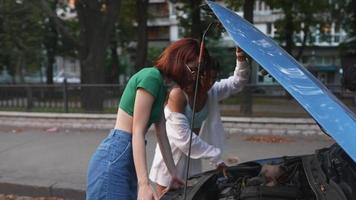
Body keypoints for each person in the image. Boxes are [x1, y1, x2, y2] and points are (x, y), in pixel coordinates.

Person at [86, 38, 212, 200]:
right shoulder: (151, 77)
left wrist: (174, 174)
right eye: (193, 69)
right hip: (117, 153)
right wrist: (144, 184)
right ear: (179, 61)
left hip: (125, 155)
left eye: (199, 72)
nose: (194, 76)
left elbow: (162, 134)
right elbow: (137, 131)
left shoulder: (161, 86)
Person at [149, 47, 250, 195]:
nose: (210, 82)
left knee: (191, 195)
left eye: (214, 78)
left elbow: (237, 83)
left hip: (193, 156)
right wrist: (215, 156)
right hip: (171, 158)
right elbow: (183, 137)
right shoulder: (178, 94)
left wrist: (241, 60)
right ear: (199, 75)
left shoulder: (212, 91)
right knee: (165, 197)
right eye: (207, 77)